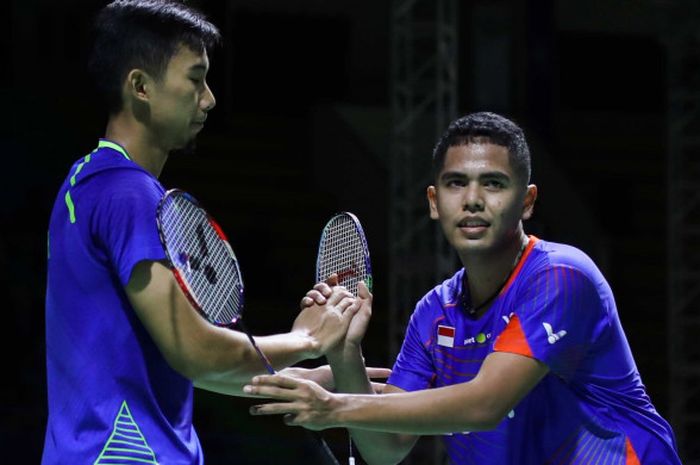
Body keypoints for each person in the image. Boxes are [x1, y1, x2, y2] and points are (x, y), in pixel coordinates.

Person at [244, 112, 682, 464]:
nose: (473, 199)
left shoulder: (562, 278)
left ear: (527, 201)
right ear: (434, 202)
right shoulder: (434, 311)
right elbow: (388, 446)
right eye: (457, 183)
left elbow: (484, 405)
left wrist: (333, 406)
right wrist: (344, 353)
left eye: (493, 183)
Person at [42, 1, 369, 463]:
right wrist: (308, 339)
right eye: (195, 79)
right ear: (140, 86)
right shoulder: (130, 195)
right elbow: (195, 351)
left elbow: (178, 364)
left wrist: (318, 380)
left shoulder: (84, 181)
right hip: (130, 453)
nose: (209, 98)